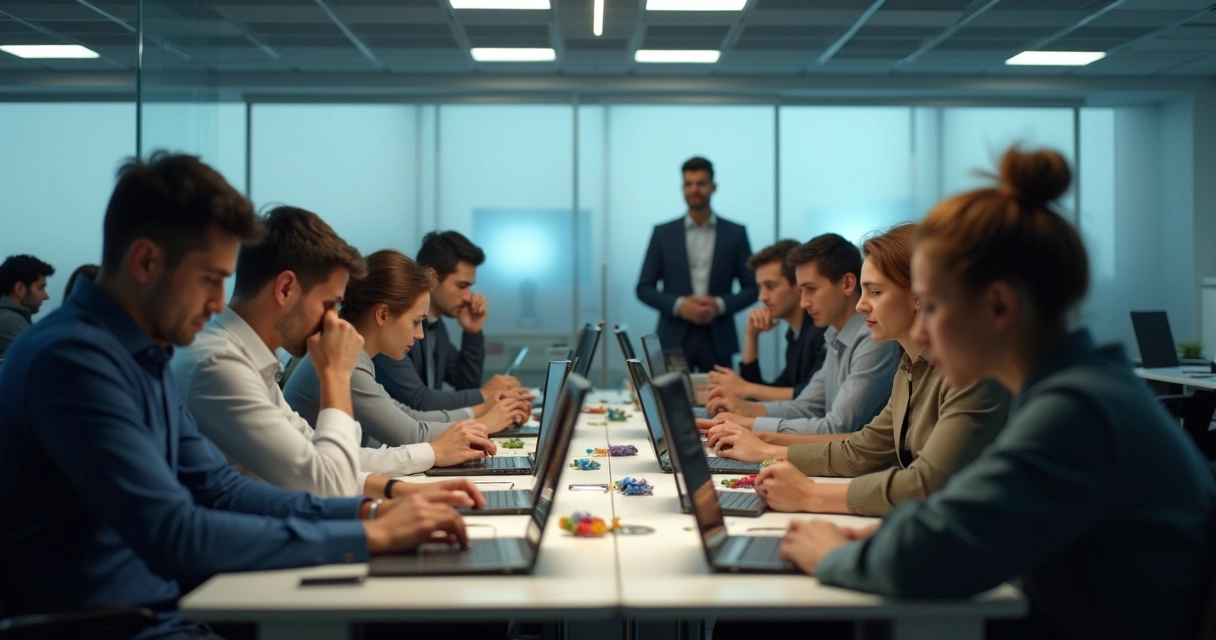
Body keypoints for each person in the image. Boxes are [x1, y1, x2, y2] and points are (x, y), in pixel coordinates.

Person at [0, 153, 480, 640]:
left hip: (170, 611)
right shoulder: (73, 360)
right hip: (126, 626)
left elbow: (219, 488)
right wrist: (367, 532)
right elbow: (175, 532)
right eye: (210, 279)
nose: (216, 303)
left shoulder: (142, 353)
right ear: (145, 261)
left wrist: (367, 512)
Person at [780, 147, 1216, 640]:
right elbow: (962, 513)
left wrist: (831, 554)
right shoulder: (1079, 392)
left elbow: (935, 553)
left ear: (999, 306)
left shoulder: (1077, 413)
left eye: (935, 308)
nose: (922, 333)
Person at [173, 206, 502, 497]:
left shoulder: (249, 362)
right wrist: (335, 376)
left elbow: (325, 456)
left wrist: (398, 489)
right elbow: (328, 477)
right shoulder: (220, 365)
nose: (334, 318)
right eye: (329, 303)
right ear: (285, 289)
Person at [707, 224, 1009, 517]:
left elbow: (925, 484)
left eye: (875, 292)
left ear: (920, 295)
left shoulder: (971, 372)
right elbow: (861, 450)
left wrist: (809, 494)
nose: (861, 305)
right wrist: (763, 451)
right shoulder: (909, 367)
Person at [285, 249, 532, 445]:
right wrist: (487, 423)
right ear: (382, 314)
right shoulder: (342, 358)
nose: (420, 334)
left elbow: (406, 416)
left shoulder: (356, 354)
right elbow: (410, 434)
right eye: (416, 322)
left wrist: (482, 410)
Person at [701, 233, 900, 435]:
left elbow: (837, 427)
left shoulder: (872, 338)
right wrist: (745, 411)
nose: (803, 303)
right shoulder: (833, 335)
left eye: (811, 289)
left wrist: (748, 423)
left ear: (848, 284)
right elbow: (806, 405)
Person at [374, 231, 528, 413]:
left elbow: (465, 386)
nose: (467, 296)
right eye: (461, 286)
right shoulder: (392, 326)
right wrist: (484, 394)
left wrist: (472, 332)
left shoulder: (437, 327)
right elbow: (418, 401)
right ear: (431, 277)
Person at [635, 157, 759, 372]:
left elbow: (752, 288)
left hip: (718, 337)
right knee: (671, 403)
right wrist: (679, 305)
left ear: (713, 187)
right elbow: (644, 287)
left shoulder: (736, 234)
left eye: (701, 183)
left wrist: (719, 305)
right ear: (682, 188)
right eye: (689, 184)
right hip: (673, 337)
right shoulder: (663, 234)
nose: (695, 189)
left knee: (721, 401)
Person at [707, 239, 826, 402]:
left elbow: (809, 398)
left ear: (799, 285)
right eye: (760, 288)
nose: (762, 297)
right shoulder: (795, 334)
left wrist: (744, 388)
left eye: (770, 286)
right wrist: (751, 336)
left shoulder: (821, 332)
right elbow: (766, 394)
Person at [0, 254, 54, 359]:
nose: (46, 297)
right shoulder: (11, 321)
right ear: (20, 289)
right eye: (40, 288)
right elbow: (41, 362)